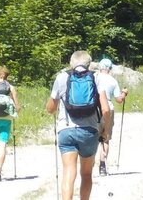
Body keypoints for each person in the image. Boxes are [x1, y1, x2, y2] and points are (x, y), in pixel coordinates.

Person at [45, 51, 111, 200]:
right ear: (89, 64)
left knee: (68, 171)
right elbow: (106, 109)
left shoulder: (62, 77)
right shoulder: (96, 77)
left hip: (66, 130)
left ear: (71, 63)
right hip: (89, 131)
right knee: (86, 174)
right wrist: (105, 130)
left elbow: (50, 109)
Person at [94, 58, 128, 176]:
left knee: (93, 137)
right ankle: (102, 167)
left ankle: (87, 164)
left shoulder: (94, 77)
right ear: (110, 68)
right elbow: (119, 100)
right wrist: (124, 93)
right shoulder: (113, 81)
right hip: (108, 107)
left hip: (95, 108)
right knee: (106, 138)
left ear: (100, 67)